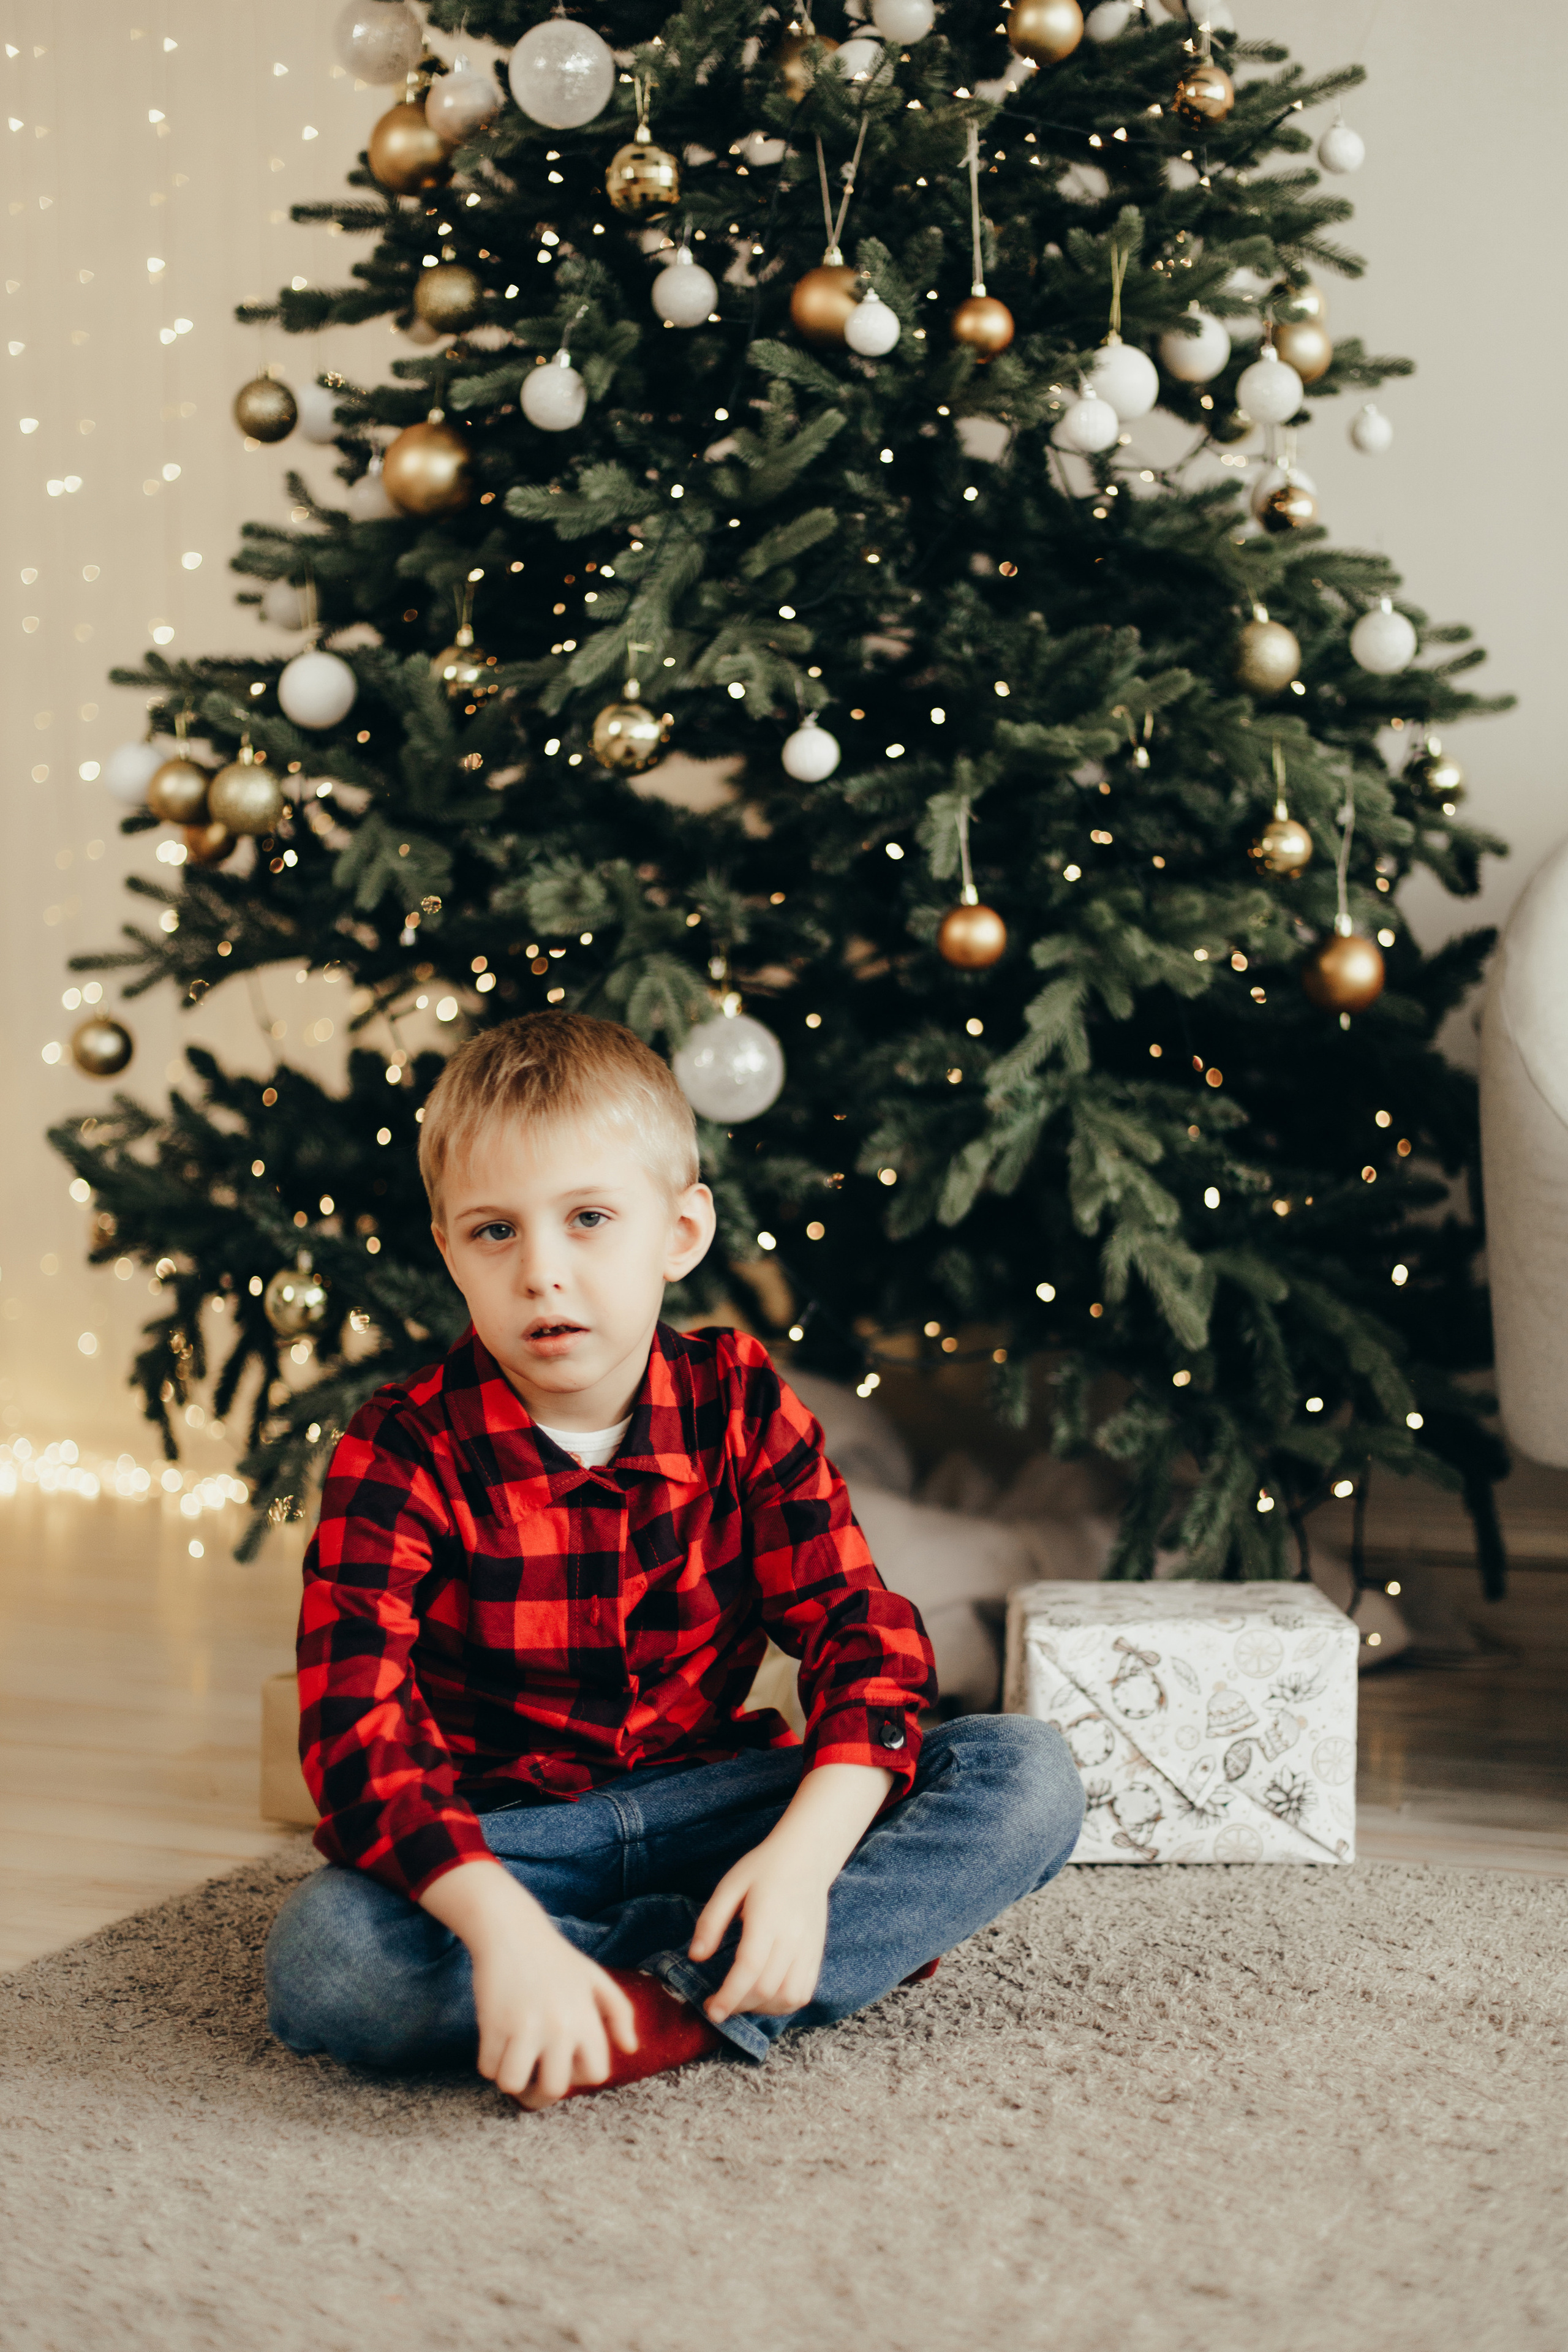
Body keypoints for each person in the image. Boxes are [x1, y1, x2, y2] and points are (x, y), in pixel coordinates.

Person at [264, 1012, 1084, 2109]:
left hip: (716, 1804)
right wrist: (502, 1930)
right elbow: (356, 1733)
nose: (543, 1273)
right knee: (329, 1958)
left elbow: (861, 1637)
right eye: (495, 1232)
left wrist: (797, 1868)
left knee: (1023, 1776)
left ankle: (662, 1996)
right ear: (449, 1250)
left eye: (590, 1219)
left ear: (682, 1232)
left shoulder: (741, 1403)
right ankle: (707, 1978)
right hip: (513, 1841)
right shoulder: (399, 1449)